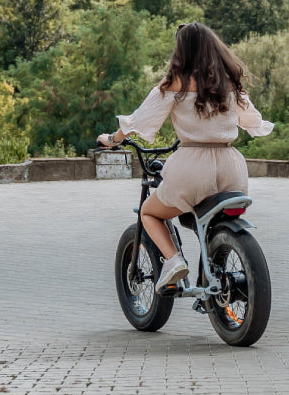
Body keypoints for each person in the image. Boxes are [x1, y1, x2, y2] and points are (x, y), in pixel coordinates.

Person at [98, 22, 273, 290]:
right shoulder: (227, 80)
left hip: (193, 167)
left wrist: (111, 140)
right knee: (212, 220)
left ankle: (173, 260)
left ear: (182, 50)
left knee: (149, 212)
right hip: (232, 166)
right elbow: (251, 120)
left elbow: (138, 121)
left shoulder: (176, 82)